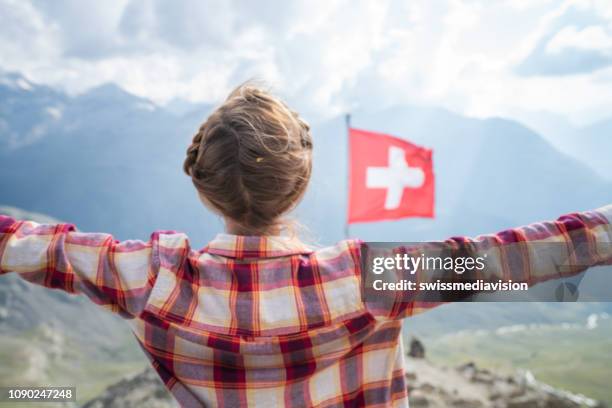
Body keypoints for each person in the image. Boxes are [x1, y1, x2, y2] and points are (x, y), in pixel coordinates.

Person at [0, 83, 610, 408]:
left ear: (204, 186)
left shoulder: (150, 279)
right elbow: (514, 257)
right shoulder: (366, 280)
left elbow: (36, 246)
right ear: (300, 184)